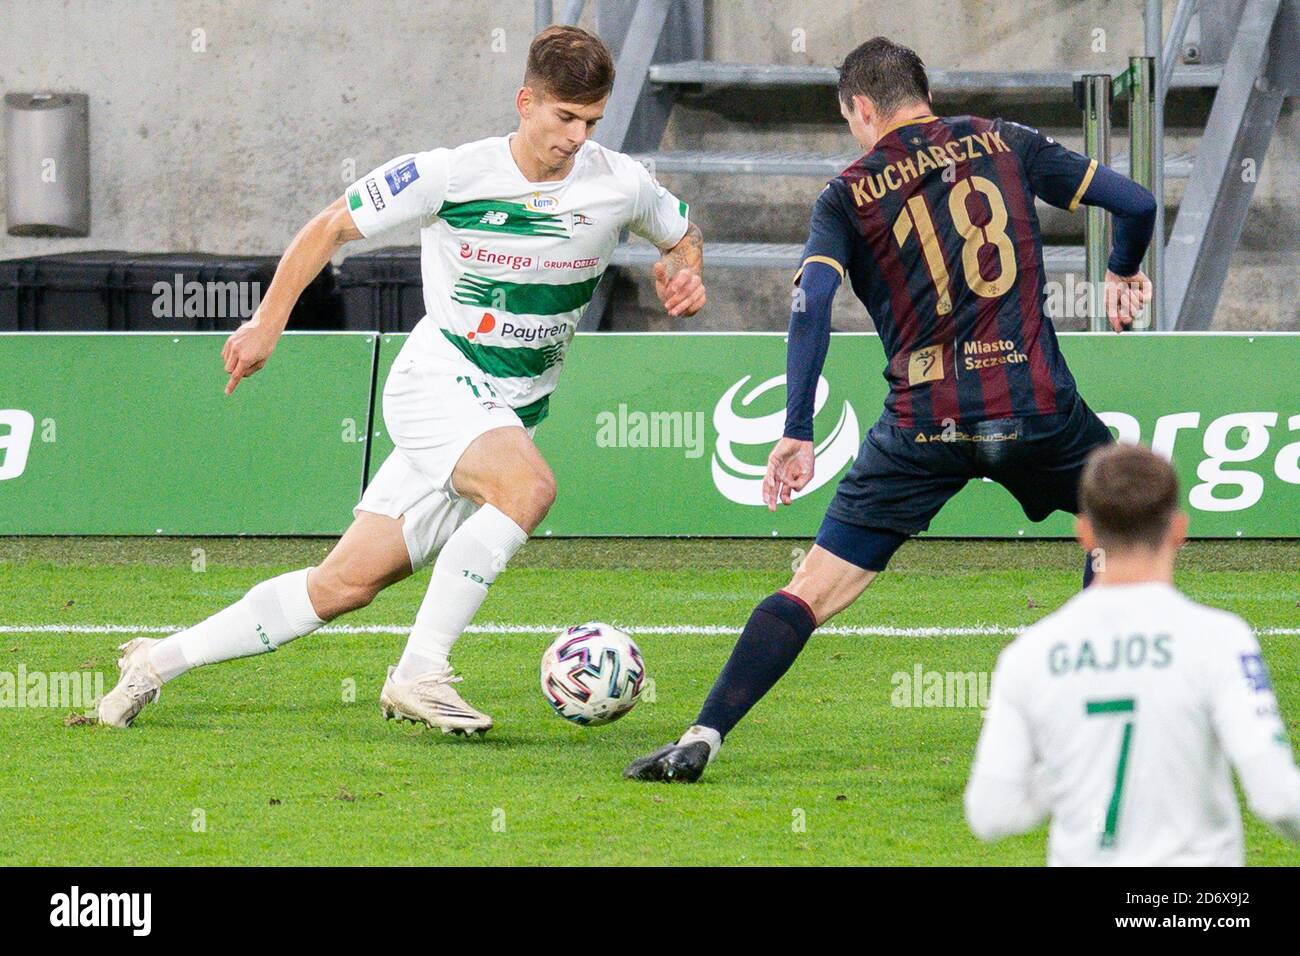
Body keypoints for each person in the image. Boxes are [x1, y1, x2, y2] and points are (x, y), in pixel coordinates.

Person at [97, 25, 706, 733]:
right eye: (564, 118)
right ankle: (419, 674)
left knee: (343, 585)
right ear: (526, 102)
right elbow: (329, 226)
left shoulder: (619, 182)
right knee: (530, 488)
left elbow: (681, 232)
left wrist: (684, 270)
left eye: (591, 121)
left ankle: (154, 663)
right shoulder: (451, 175)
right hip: (440, 380)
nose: (577, 136)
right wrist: (267, 324)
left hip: (509, 411)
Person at [626, 36, 1154, 782]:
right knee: (1124, 529)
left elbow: (811, 302)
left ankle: (702, 736)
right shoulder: (1007, 142)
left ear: (863, 108)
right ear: (921, 91)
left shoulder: (846, 193)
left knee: (809, 588)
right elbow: (1137, 203)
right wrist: (1121, 271)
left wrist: (797, 431)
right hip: (1035, 406)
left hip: (924, 424)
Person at [964, 443, 1300, 864]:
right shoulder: (1219, 640)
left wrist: (1072, 764)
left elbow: (990, 812)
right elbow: (1278, 798)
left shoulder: (1029, 655)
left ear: (1084, 534)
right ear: (1179, 531)